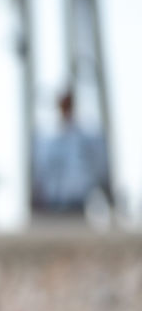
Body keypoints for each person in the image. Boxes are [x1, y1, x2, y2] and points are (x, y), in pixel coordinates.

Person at [32, 88, 111, 216]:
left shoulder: (86, 137)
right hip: (53, 203)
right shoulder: (48, 138)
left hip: (79, 202)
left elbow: (99, 167)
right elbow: (42, 173)